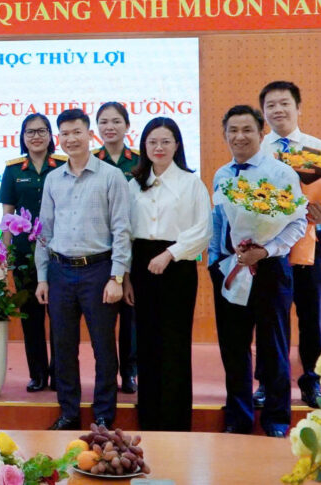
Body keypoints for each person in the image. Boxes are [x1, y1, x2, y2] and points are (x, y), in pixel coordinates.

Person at [209, 105, 307, 438]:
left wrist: (265, 250)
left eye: (247, 130)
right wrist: (216, 261)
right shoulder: (222, 175)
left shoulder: (280, 174)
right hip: (231, 269)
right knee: (234, 347)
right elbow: (219, 221)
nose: (240, 136)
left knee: (273, 346)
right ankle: (238, 417)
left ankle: (277, 419)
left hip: (270, 270)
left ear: (261, 134)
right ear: (225, 135)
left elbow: (297, 222)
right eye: (233, 130)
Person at [37, 109, 131, 431]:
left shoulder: (111, 176)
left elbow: (122, 230)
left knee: (103, 347)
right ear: (59, 138)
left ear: (89, 135)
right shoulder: (53, 179)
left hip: (98, 271)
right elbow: (44, 232)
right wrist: (42, 277)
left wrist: (117, 277)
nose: (71, 139)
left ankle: (104, 414)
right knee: (63, 347)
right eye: (64, 134)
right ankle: (69, 412)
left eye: (77, 132)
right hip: (60, 271)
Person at [122, 118, 211, 431]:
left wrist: (170, 254)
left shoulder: (191, 183)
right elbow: (125, 233)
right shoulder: (134, 185)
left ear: (177, 145)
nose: (158, 147)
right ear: (144, 146)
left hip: (177, 267)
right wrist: (126, 277)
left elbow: (203, 229)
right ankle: (149, 420)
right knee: (146, 344)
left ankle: (175, 422)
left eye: (165, 141)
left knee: (174, 343)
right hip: (141, 266)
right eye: (152, 142)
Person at [255, 80, 321, 409]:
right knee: (269, 315)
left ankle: (312, 382)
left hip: (311, 239)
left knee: (310, 313)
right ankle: (268, 382)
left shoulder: (319, 149)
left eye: (284, 103)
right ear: (263, 112)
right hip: (269, 243)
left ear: (298, 107)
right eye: (270, 105)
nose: (278, 110)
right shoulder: (258, 150)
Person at [0, 113, 66, 393]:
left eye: (41, 131)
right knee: (31, 318)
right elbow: (7, 218)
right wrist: (5, 256)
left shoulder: (64, 165)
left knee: (60, 317)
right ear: (22, 137)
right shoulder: (14, 170)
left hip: (60, 253)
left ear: (51, 136)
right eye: (30, 132)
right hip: (25, 256)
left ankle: (60, 374)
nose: (36, 136)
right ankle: (37, 374)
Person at [92, 101, 139, 394]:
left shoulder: (140, 161)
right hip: (99, 251)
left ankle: (130, 372)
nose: (110, 127)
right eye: (104, 122)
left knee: (131, 316)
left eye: (116, 121)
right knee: (104, 317)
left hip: (134, 246)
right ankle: (106, 375)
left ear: (127, 126)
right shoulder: (90, 161)